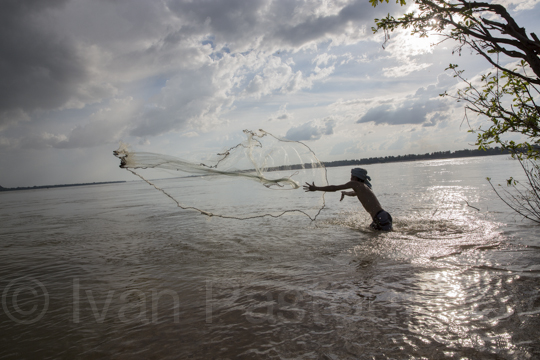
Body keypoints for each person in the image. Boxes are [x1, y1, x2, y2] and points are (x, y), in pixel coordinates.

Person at [303, 168, 393, 231]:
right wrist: (345, 193)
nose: (350, 178)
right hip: (382, 216)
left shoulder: (354, 183)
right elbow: (354, 193)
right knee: (373, 235)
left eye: (352, 176)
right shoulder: (363, 187)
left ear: (356, 177)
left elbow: (334, 188)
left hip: (380, 217)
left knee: (384, 238)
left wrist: (316, 188)